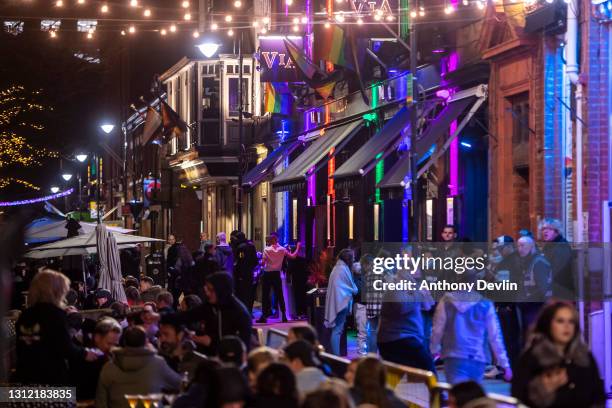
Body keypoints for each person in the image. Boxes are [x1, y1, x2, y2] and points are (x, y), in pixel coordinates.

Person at [511, 301, 605, 408]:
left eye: (571, 322)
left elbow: (598, 398)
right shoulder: (532, 358)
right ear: (548, 324)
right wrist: (543, 390)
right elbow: (519, 399)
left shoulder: (585, 357)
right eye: (560, 321)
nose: (567, 326)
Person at [14, 270, 98, 386]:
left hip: (25, 379)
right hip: (50, 379)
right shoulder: (55, 314)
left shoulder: (25, 315)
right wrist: (85, 353)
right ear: (55, 291)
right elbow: (65, 346)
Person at [430, 271, 512, 384]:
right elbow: (495, 337)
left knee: (456, 394)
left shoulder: (446, 302)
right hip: (477, 358)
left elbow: (437, 330)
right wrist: (505, 364)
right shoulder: (485, 304)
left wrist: (434, 349)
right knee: (472, 396)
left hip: (453, 356)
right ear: (475, 283)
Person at [95, 325, 181, 408]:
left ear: (124, 342)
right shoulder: (158, 363)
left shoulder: (108, 368)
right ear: (146, 342)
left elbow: (100, 402)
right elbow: (179, 384)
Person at [172, 272, 252, 354]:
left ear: (220, 290)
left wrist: (210, 342)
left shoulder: (239, 313)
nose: (207, 293)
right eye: (207, 289)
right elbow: (187, 316)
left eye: (211, 290)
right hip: (210, 356)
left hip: (228, 361)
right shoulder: (211, 306)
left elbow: (240, 350)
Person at [377, 267, 435, 372]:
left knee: (396, 376)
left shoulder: (413, 287)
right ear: (404, 272)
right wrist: (419, 294)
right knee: (429, 370)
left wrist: (425, 294)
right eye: (414, 270)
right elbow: (401, 307)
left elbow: (428, 306)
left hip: (405, 338)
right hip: (397, 338)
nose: (418, 272)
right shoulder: (395, 286)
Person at [70, 317, 122, 400]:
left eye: (115, 344)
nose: (112, 348)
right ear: (97, 337)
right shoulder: (85, 359)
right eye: (109, 343)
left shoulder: (114, 358)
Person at [257, 233, 301, 323]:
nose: (268, 241)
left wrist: (258, 259)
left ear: (272, 240)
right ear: (277, 240)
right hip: (277, 274)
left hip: (267, 274)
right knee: (280, 295)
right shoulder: (282, 249)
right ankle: (284, 316)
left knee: (265, 296)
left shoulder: (267, 250)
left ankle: (264, 317)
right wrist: (298, 247)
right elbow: (293, 256)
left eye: (269, 239)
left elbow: (262, 263)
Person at [324, 248, 358, 356]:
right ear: (349, 259)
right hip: (341, 303)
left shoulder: (338, 268)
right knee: (337, 331)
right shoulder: (342, 269)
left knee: (337, 331)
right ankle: (336, 357)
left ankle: (336, 355)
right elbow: (351, 287)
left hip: (338, 302)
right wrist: (355, 289)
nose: (354, 259)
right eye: (353, 258)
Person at [517, 235, 552, 336]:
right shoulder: (528, 262)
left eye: (523, 246)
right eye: (518, 246)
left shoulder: (538, 262)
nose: (520, 249)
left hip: (535, 307)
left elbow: (543, 289)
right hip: (529, 306)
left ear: (531, 247)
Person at [158, 314, 208, 381]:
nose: (162, 339)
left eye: (166, 334)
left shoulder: (197, 361)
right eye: (160, 335)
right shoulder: (159, 360)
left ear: (180, 335)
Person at [539, 218, 575, 300]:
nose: (545, 231)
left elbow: (557, 270)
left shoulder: (561, 247)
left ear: (557, 231)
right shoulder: (548, 246)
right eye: (543, 229)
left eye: (549, 229)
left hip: (561, 292)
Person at [230, 231, 259, 314]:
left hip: (241, 276)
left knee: (241, 295)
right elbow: (255, 261)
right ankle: (249, 311)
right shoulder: (251, 246)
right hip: (249, 274)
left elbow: (239, 261)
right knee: (249, 294)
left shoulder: (240, 248)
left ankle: (242, 312)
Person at [361, 254, 381, 354]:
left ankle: (371, 355)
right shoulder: (382, 272)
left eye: (364, 266)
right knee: (381, 333)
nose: (364, 268)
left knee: (372, 333)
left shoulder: (367, 275)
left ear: (367, 264)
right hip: (381, 307)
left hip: (371, 308)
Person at [351, 260, 368, 355]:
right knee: (362, 331)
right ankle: (362, 351)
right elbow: (359, 292)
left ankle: (364, 350)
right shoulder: (354, 280)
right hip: (360, 306)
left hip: (365, 305)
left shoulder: (363, 278)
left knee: (365, 331)